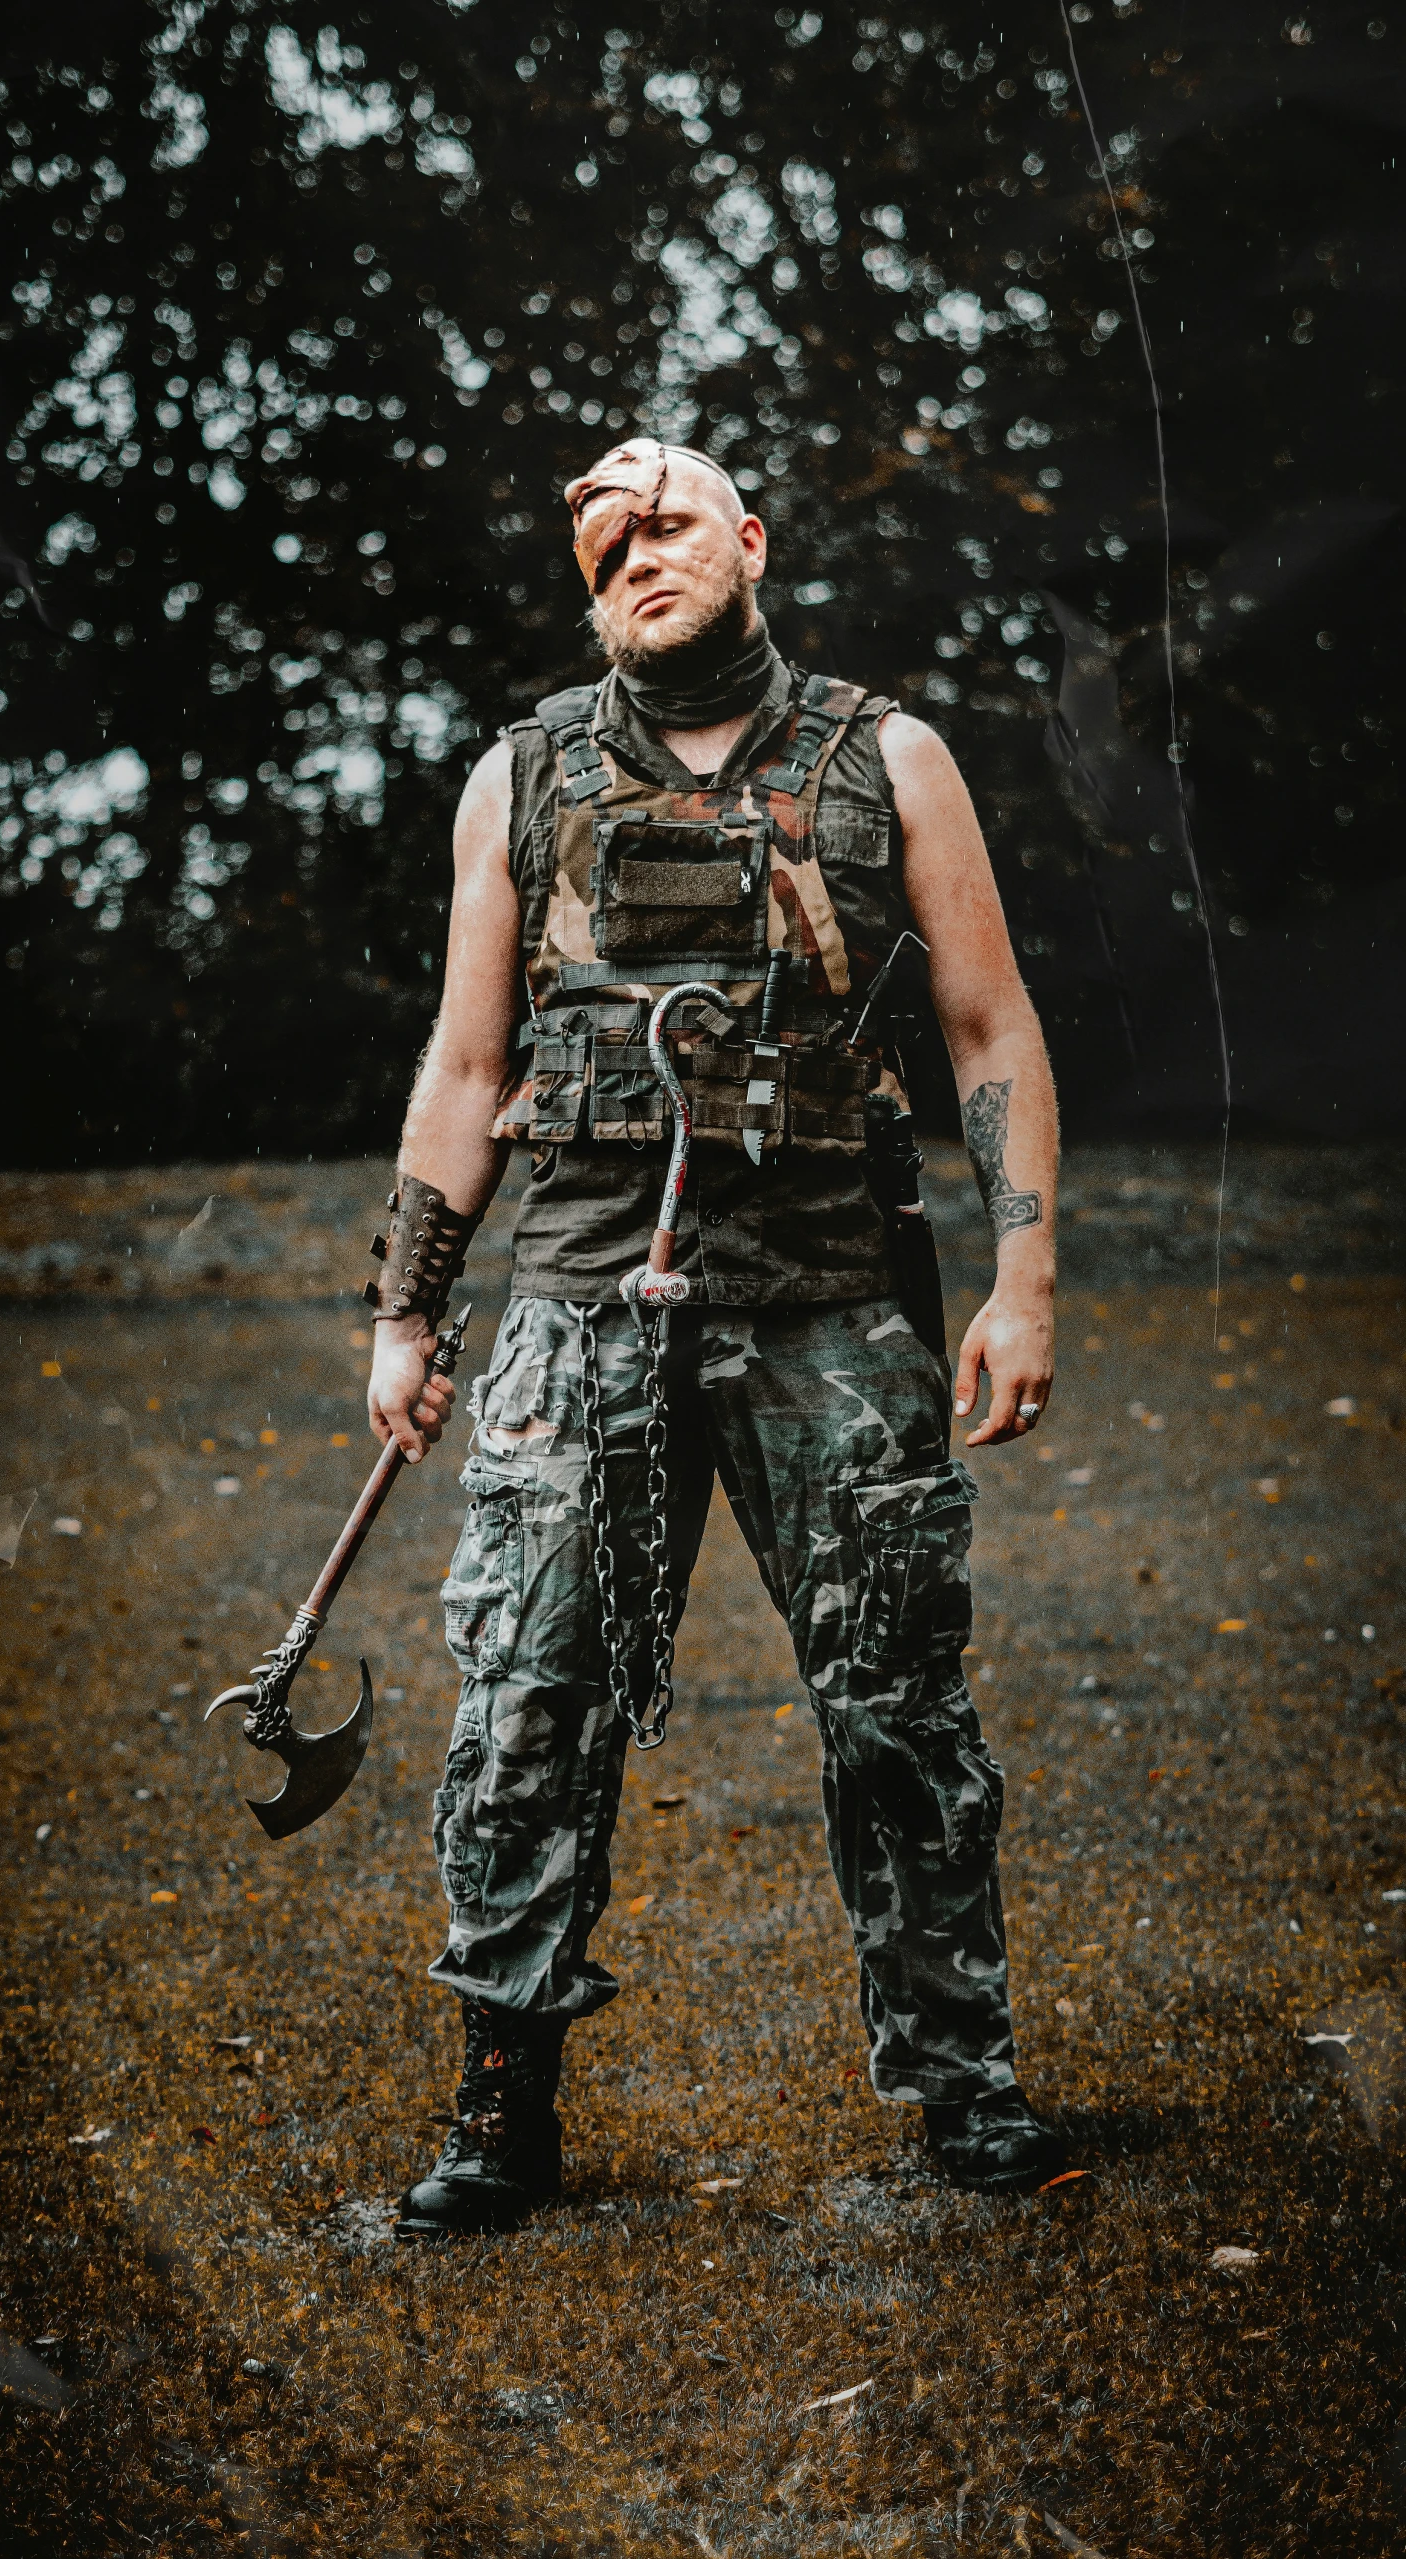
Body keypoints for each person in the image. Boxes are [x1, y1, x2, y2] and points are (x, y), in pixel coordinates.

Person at [366, 437, 1065, 2241]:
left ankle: (960, 2081)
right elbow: (465, 1068)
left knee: (897, 1710)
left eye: (667, 520)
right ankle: (502, 2108)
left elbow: (989, 1026)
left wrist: (1024, 1275)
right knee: (526, 1707)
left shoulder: (884, 754)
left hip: (832, 1308)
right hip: (584, 1308)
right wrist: (405, 1311)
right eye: (601, 543)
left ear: (751, 539)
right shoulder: (521, 773)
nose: (635, 555)